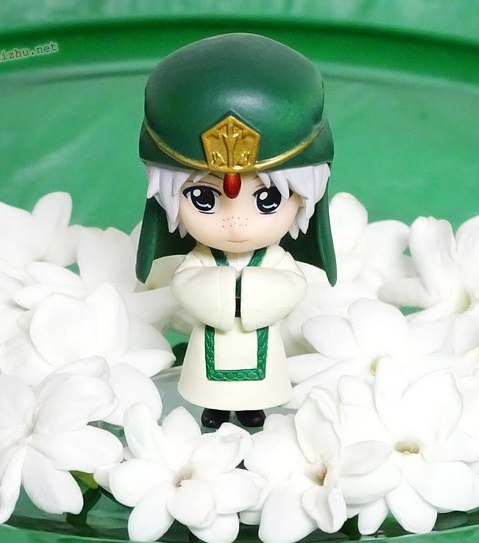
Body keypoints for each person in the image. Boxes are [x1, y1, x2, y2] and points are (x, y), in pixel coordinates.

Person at [135, 33, 336, 428]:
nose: (235, 221)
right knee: (208, 392)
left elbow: (291, 287)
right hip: (210, 350)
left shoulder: (275, 259)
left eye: (267, 200)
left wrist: (243, 294)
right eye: (203, 199)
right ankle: (213, 408)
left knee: (258, 394)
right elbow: (187, 285)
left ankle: (251, 408)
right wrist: (228, 293)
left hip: (261, 352)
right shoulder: (201, 259)